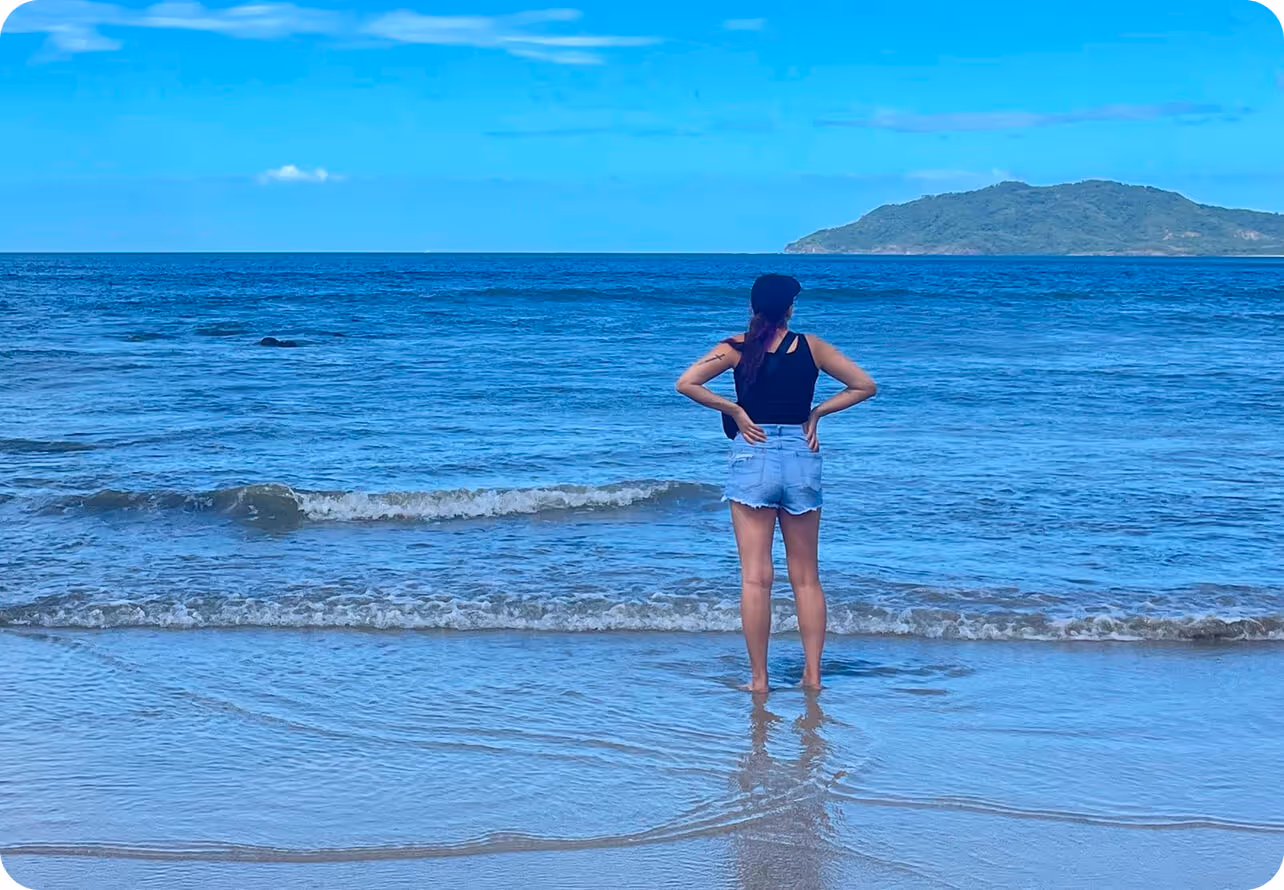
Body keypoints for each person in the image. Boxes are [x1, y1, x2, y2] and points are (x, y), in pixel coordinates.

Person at [676, 274, 877, 692]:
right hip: (802, 453)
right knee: (806, 578)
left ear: (753, 309)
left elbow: (687, 383)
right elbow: (863, 385)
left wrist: (735, 411)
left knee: (755, 578)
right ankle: (813, 676)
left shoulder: (735, 348)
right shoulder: (812, 346)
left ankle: (760, 680)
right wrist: (816, 413)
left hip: (754, 452)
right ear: (789, 309)